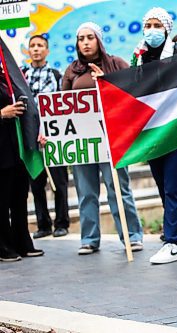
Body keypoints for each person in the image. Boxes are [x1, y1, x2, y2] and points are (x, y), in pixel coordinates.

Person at [62, 22, 144, 255]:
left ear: (99, 40)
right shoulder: (72, 71)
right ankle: (89, 239)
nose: (85, 42)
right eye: (81, 39)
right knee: (86, 191)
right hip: (83, 142)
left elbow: (134, 92)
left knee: (118, 188)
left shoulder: (116, 64)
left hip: (112, 139)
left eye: (90, 37)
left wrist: (107, 81)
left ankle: (132, 236)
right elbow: (61, 107)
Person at [129, 7, 177, 264]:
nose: (152, 30)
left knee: (174, 186)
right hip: (154, 132)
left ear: (166, 29)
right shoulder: (138, 58)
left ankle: (173, 242)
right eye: (149, 25)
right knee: (162, 184)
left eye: (158, 25)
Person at [21, 34, 70, 239]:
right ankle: (43, 224)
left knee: (59, 181)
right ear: (28, 51)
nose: (36, 49)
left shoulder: (56, 75)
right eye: (32, 46)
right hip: (29, 136)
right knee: (36, 182)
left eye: (40, 45)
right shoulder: (22, 75)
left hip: (52, 137)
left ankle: (62, 223)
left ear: (47, 51)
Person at [0, 67, 44, 262]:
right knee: (2, 200)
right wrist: (2, 113)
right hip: (1, 148)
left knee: (19, 196)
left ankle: (23, 242)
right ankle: (4, 246)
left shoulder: (8, 76)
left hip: (16, 145)